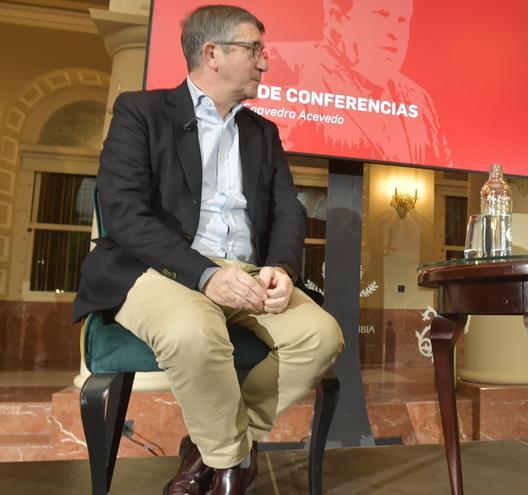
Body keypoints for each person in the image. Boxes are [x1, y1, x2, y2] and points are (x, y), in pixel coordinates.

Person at [72, 5, 344, 495]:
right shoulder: (141, 111)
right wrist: (204, 275)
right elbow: (124, 212)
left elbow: (288, 212)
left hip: (249, 271)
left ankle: (206, 449)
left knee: (321, 336)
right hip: (161, 270)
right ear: (212, 53)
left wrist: (281, 267)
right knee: (193, 332)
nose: (265, 62)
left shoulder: (264, 133)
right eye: (255, 49)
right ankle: (232, 468)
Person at [268, 0, 453, 166]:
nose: (395, 33)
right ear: (336, 16)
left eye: (402, 20)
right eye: (382, 15)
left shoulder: (419, 100)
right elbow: (265, 162)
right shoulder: (287, 65)